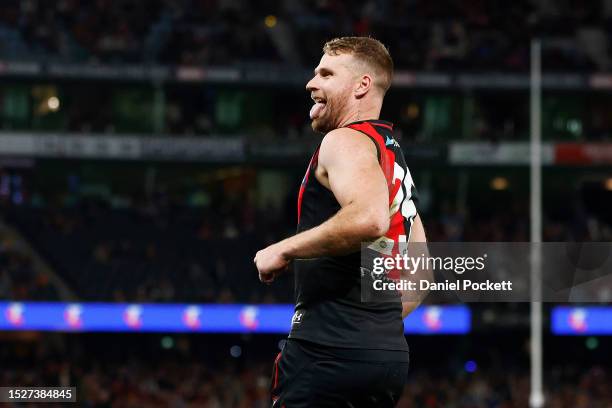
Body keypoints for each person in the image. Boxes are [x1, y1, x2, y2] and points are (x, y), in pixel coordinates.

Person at [254, 36, 427, 407]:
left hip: (325, 352)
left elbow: (369, 219)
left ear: (362, 85)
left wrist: (283, 248)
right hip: (386, 356)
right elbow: (421, 272)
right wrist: (372, 326)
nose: (311, 83)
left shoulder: (344, 141)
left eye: (326, 74)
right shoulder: (392, 159)